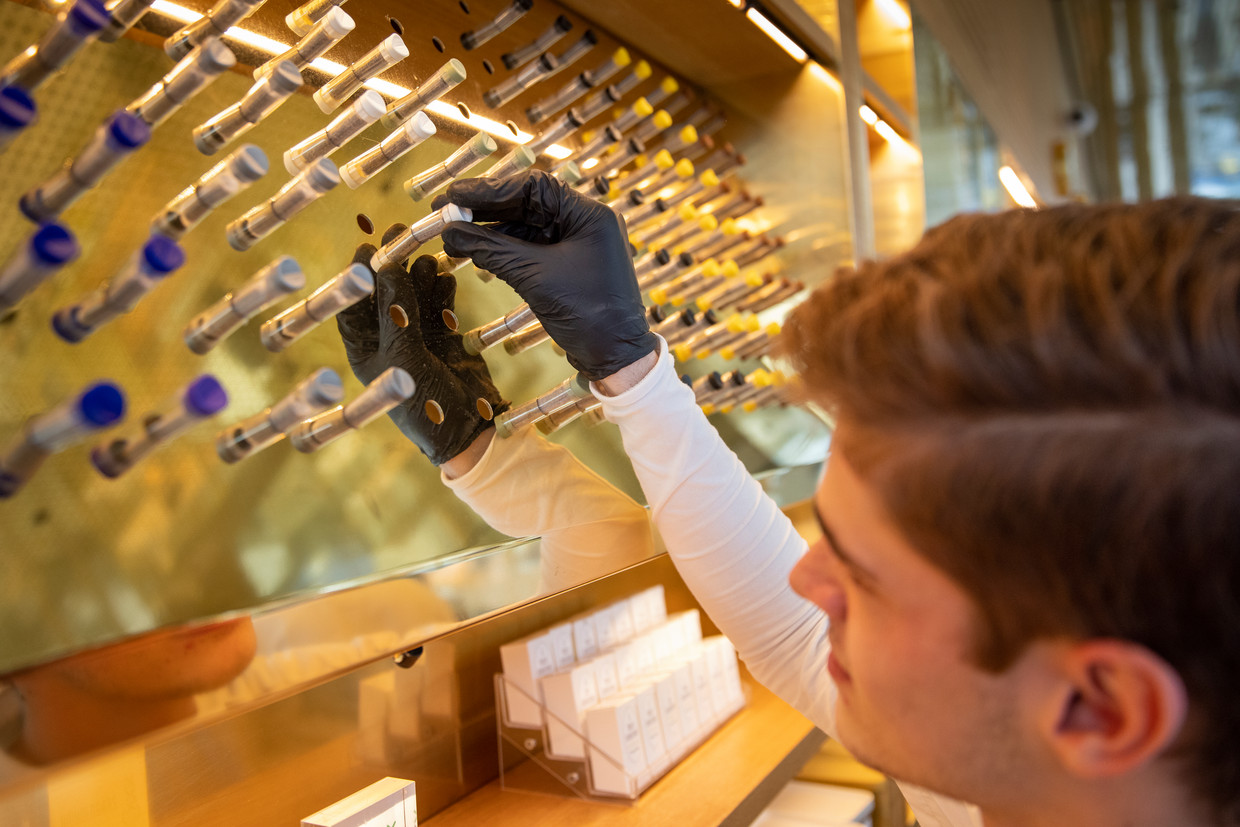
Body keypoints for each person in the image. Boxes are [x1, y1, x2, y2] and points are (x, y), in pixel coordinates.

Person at [400, 174, 1239, 827]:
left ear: (1101, 707)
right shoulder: (1052, 771)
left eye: (865, 578)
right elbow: (793, 630)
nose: (809, 580)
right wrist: (620, 372)